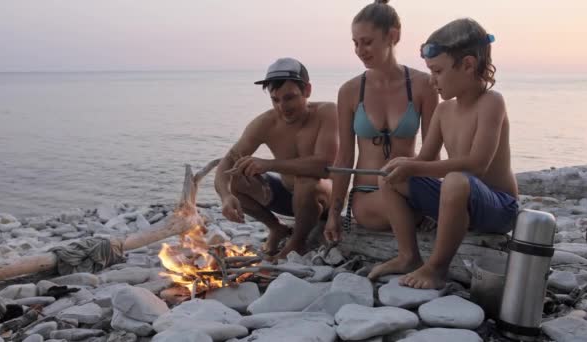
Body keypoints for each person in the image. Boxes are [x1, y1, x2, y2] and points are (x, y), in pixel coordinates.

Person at [366, 18, 519, 289]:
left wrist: (416, 168)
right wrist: (405, 163)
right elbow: (425, 160)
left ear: (469, 65)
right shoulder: (443, 110)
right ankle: (408, 256)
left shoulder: (492, 103)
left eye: (437, 71)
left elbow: (476, 166)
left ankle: (436, 268)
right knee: (390, 174)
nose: (431, 79)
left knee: (457, 180)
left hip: (498, 207)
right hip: (460, 198)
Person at [324, 0, 438, 242]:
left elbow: (432, 154)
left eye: (367, 42)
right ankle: (414, 232)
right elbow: (344, 157)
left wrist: (430, 193)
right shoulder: (350, 91)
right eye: (355, 43)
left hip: (410, 189)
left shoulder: (423, 85)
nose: (359, 50)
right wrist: (334, 213)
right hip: (368, 196)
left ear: (392, 36)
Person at [214, 57, 338, 260]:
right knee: (238, 176)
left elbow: (324, 166)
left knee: (306, 180)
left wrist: (268, 165)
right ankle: (276, 228)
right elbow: (227, 163)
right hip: (286, 198)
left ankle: (297, 244)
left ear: (307, 90)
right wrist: (226, 197)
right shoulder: (265, 122)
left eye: (289, 98)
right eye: (276, 99)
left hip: (324, 198)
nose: (282, 107)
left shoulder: (327, 112)